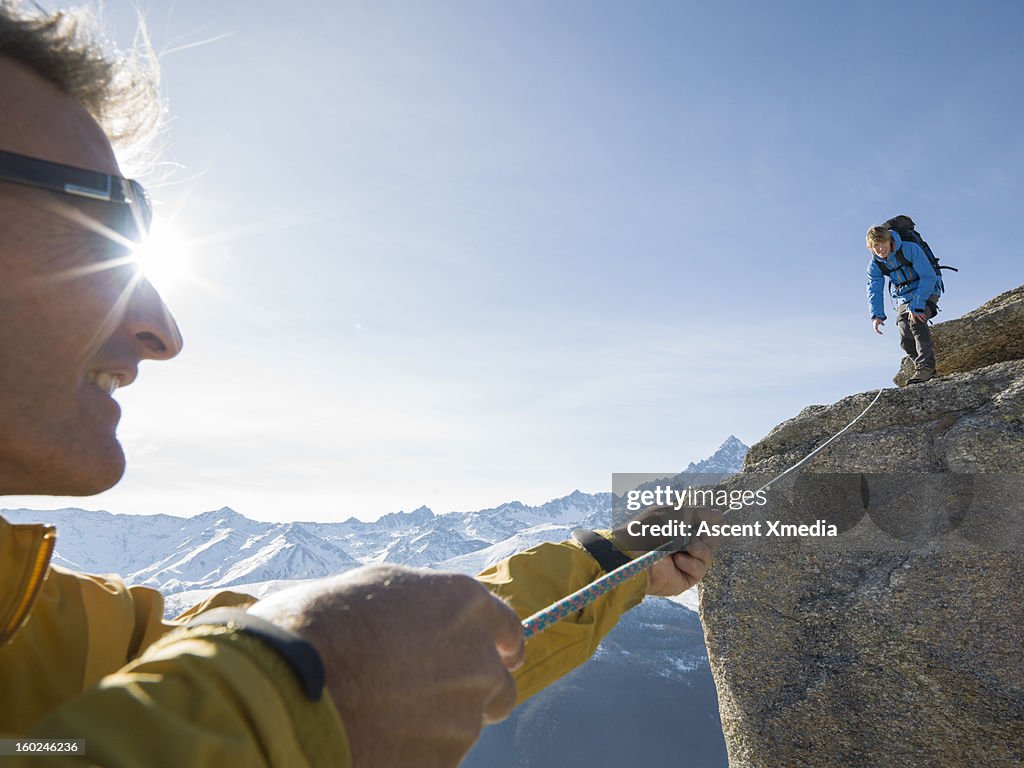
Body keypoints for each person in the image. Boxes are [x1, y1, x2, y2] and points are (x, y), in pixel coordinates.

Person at [0, 4, 718, 766]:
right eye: (90, 223)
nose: (162, 329)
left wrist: (609, 563)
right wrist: (288, 701)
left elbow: (394, 655)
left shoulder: (39, 622)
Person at [865, 223, 942, 384]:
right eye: (875, 246)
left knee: (916, 321)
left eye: (883, 244)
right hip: (903, 297)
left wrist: (918, 304)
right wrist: (876, 315)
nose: (880, 249)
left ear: (890, 240)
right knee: (905, 335)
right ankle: (925, 369)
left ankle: (925, 368)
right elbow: (874, 289)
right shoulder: (875, 264)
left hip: (927, 289)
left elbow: (928, 276)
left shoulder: (909, 249)